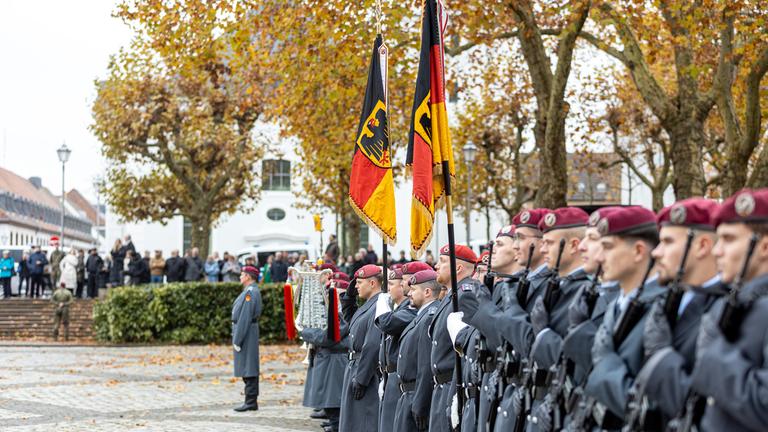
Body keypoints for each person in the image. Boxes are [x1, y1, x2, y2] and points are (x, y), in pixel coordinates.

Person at [623, 198, 724, 428]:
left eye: (667, 242)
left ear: (702, 246)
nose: (657, 252)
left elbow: (701, 406)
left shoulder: (726, 307)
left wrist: (661, 357)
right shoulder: (669, 300)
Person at [688, 189, 768, 431]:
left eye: (729, 239)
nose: (716, 250)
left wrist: (713, 353)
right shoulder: (741, 301)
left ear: (764, 247)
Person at [582, 206, 663, 429]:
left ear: (638, 251)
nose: (598, 256)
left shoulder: (662, 307)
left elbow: (649, 408)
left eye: (607, 247)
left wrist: (605, 360)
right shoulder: (619, 302)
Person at [429, 244, 486, 432]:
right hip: (441, 388)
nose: (436, 265)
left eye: (443, 261)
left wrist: (456, 395)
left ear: (458, 268)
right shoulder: (452, 295)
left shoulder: (466, 295)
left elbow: (467, 352)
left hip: (453, 385)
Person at [393, 269, 441, 432]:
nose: (409, 294)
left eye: (414, 290)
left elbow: (425, 365)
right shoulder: (423, 314)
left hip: (416, 394)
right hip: (409, 393)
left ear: (427, 292)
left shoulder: (429, 316)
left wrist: (420, 403)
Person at [338, 264, 384, 432]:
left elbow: (372, 345)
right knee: (353, 421)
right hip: (355, 367)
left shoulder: (379, 305)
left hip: (365, 371)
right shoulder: (369, 304)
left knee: (363, 421)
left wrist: (362, 379)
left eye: (359, 282)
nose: (356, 286)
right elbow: (353, 321)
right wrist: (349, 297)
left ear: (372, 283)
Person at [302, 278, 350, 432]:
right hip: (329, 359)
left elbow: (328, 337)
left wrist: (306, 332)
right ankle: (335, 424)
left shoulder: (340, 313)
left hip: (335, 361)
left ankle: (336, 426)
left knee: (333, 400)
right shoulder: (333, 311)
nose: (326, 297)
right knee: (328, 399)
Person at [374, 267, 418, 432]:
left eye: (391, 284)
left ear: (402, 287)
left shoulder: (410, 309)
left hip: (397, 375)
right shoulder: (400, 308)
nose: (388, 288)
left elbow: (386, 323)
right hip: (389, 374)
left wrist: (381, 302)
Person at [232, 265, 262, 412]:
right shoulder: (250, 291)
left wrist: (237, 340)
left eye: (242, 274)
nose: (240, 277)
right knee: (247, 365)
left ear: (249, 276)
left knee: (249, 367)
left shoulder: (250, 292)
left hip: (247, 332)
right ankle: (250, 400)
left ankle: (250, 401)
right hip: (248, 331)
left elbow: (245, 317)